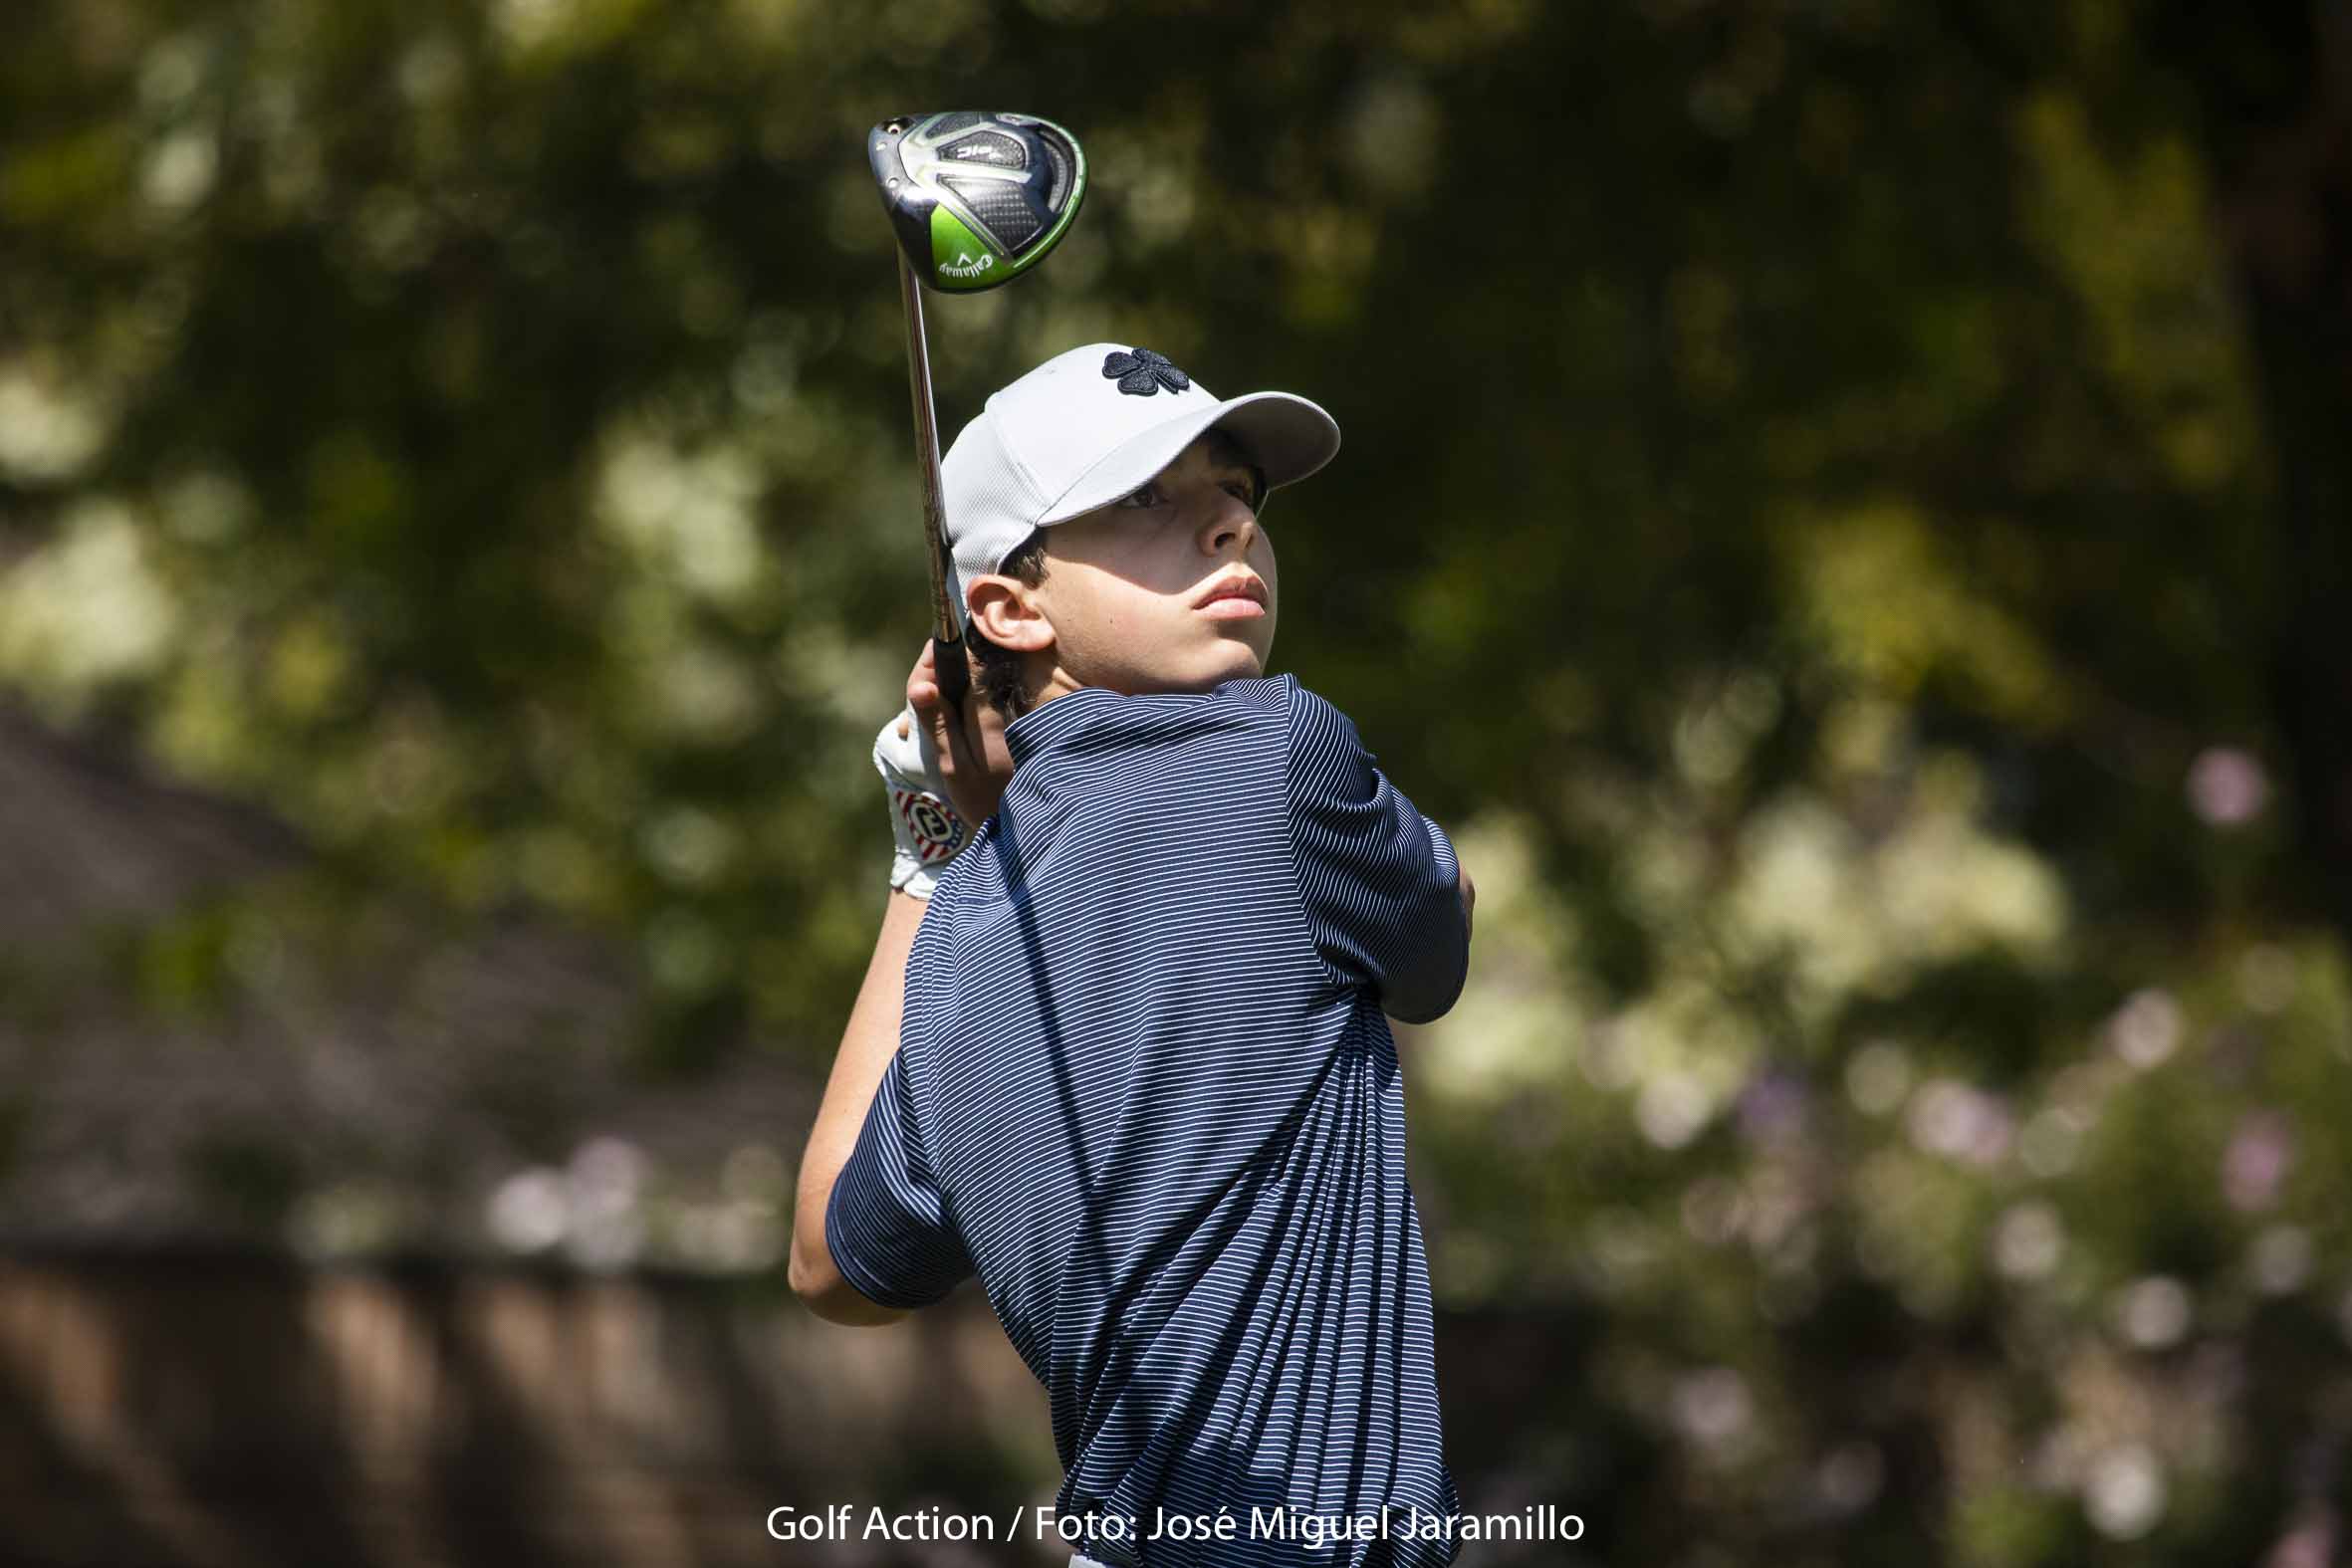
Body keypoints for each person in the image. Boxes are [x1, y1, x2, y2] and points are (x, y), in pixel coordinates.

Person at [789, 342, 1476, 1568]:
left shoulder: (954, 944)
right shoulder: (1281, 753)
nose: (1231, 526)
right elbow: (1437, 944)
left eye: (1238, 494)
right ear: (1008, 607)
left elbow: (829, 1268)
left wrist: (930, 853)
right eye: (1149, 497)